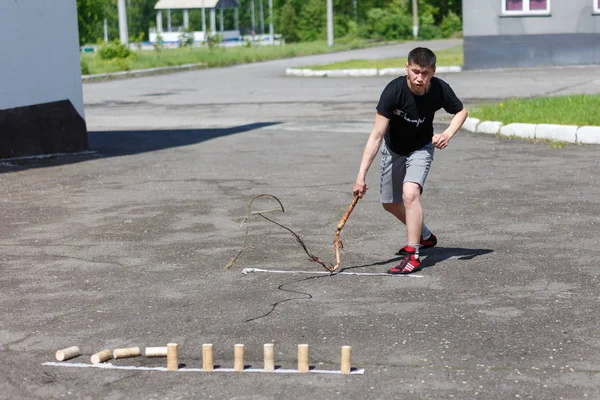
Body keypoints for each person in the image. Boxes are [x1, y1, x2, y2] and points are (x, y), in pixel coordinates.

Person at [352, 47, 468, 274]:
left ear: (433, 71)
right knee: (389, 203)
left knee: (410, 194)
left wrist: (447, 134)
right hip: (394, 149)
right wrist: (360, 177)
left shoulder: (439, 89)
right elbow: (376, 136)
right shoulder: (393, 92)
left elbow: (461, 112)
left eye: (425, 73)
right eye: (415, 71)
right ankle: (424, 236)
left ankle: (412, 255)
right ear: (406, 67)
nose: (419, 78)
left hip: (421, 148)